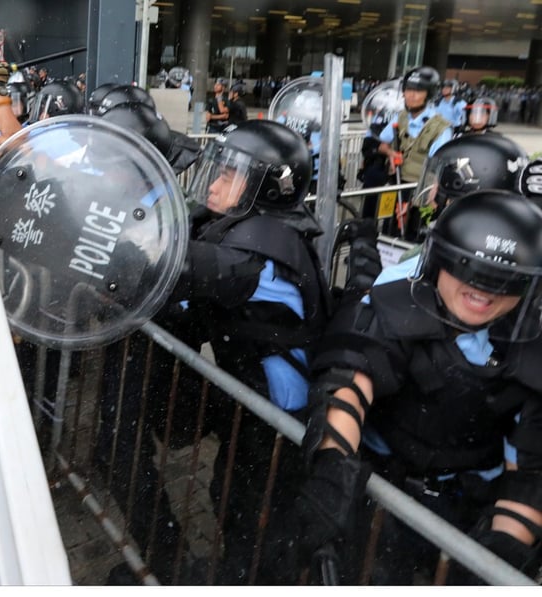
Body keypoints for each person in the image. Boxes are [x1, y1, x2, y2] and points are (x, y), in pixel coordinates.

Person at [102, 120, 333, 585]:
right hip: (255, 405)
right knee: (232, 495)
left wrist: (96, 237)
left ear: (264, 189)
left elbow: (172, 266)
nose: (214, 183)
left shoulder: (263, 257)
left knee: (257, 517)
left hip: (282, 421)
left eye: (229, 175)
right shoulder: (252, 227)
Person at [291, 190, 542, 585]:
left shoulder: (531, 352)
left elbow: (527, 474)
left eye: (505, 282)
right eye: (468, 270)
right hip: (382, 497)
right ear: (440, 260)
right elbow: (349, 385)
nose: (485, 293)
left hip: (468, 514)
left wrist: (496, 561)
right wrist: (331, 477)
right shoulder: (393, 305)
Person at [377, 66, 454, 241]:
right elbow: (382, 143)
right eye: (408, 90)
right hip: (397, 184)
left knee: (413, 237)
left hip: (423, 191)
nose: (411, 95)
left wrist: (413, 203)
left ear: (429, 94)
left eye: (418, 91)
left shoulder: (440, 128)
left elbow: (436, 169)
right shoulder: (401, 117)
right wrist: (390, 152)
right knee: (389, 232)